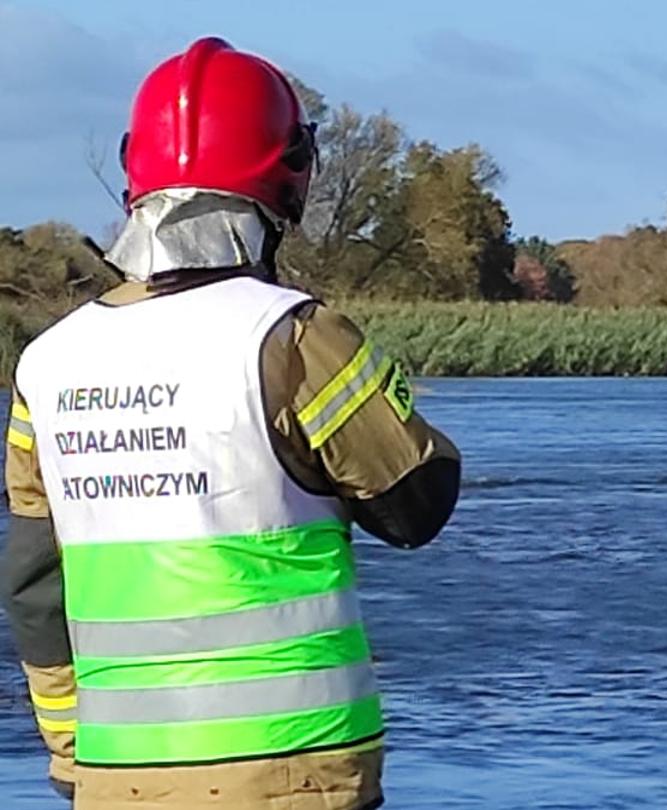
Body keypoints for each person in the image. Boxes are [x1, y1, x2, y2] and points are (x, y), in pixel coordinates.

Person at [2, 37, 461, 809]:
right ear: (290, 173)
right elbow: (417, 504)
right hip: (293, 771)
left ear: (135, 175)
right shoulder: (294, 337)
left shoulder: (46, 365)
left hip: (119, 776)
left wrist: (75, 755)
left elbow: (34, 587)